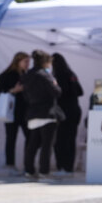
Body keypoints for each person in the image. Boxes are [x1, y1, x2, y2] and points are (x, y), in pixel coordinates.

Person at [21, 50, 62, 180]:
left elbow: (25, 96)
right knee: (47, 145)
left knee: (32, 144)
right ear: (45, 62)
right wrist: (55, 84)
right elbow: (56, 92)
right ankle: (44, 171)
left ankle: (29, 171)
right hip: (47, 113)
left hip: (33, 112)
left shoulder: (28, 75)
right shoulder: (45, 75)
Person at [0, 52, 30, 175]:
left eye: (28, 61)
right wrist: (13, 90)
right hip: (11, 111)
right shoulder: (7, 75)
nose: (28, 64)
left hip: (25, 112)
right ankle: (10, 165)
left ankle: (28, 165)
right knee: (11, 138)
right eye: (25, 61)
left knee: (30, 137)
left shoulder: (27, 75)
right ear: (18, 61)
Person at [51, 53, 83, 176]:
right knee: (70, 140)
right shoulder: (71, 74)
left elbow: (61, 93)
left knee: (60, 141)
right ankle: (68, 168)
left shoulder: (59, 76)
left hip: (63, 112)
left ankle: (62, 167)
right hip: (74, 111)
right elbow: (80, 91)